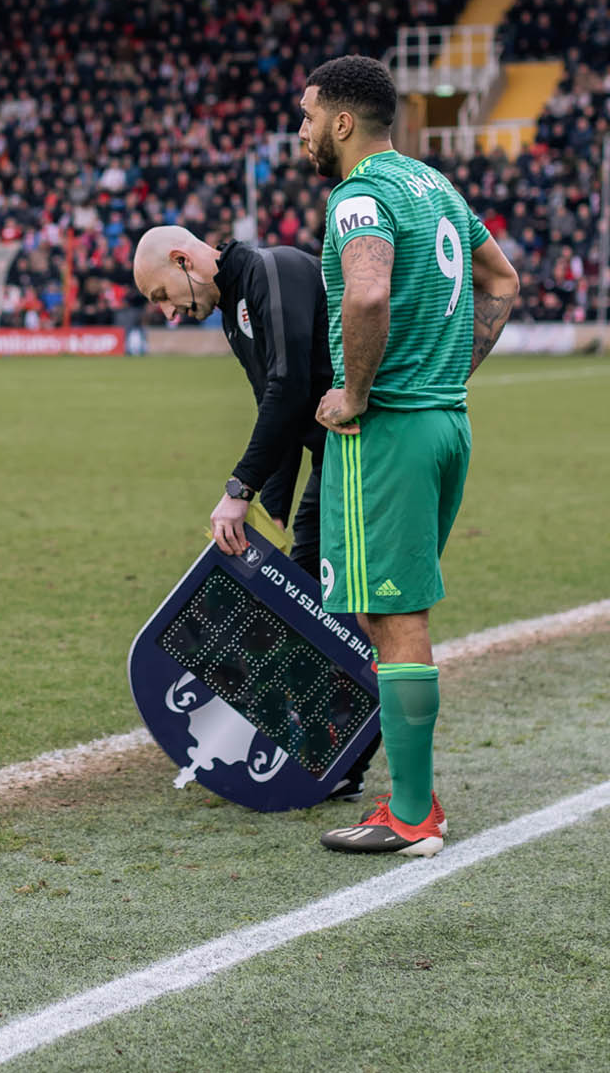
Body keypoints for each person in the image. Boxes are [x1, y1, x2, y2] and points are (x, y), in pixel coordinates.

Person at [300, 55, 519, 858]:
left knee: (393, 617)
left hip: (389, 429)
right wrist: (451, 369)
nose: (303, 131)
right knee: (388, 610)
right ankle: (414, 799)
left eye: (307, 115)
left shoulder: (359, 196)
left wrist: (355, 395)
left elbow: (365, 292)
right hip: (445, 422)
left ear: (343, 122)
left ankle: (414, 813)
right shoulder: (435, 186)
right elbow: (502, 276)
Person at [132, 221, 379, 800]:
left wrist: (239, 490)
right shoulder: (233, 309)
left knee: (346, 604)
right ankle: (335, 753)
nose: (167, 312)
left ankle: (348, 752)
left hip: (367, 449)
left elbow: (290, 387)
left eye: (162, 295)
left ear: (182, 260)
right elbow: (278, 403)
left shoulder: (274, 269)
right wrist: (272, 503)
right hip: (332, 456)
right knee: (313, 593)